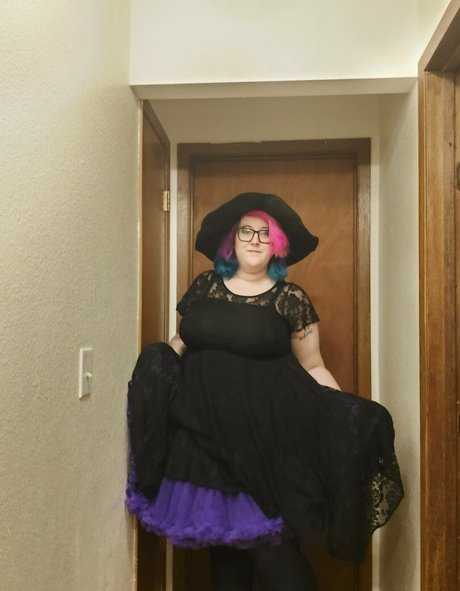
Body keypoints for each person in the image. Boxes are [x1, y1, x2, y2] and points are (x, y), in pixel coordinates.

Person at [126, 192, 403, 591]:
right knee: (224, 550)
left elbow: (313, 365)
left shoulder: (290, 299)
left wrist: (340, 416)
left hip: (264, 440)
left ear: (277, 245)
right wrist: (155, 370)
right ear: (231, 240)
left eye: (265, 234)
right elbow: (181, 342)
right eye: (246, 231)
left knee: (272, 552)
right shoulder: (204, 287)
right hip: (201, 436)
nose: (255, 240)